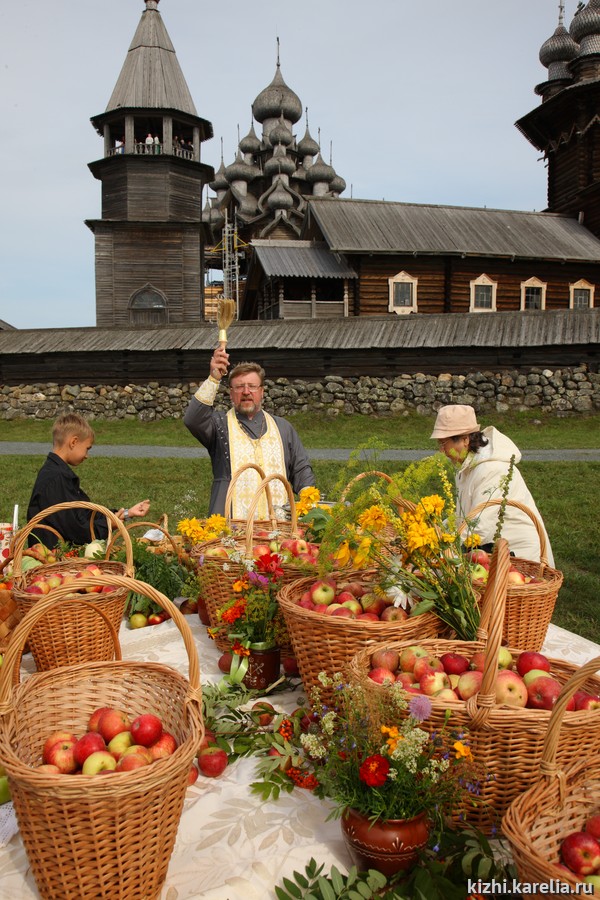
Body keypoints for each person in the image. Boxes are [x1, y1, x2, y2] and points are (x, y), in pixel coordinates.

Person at [183, 346, 316, 518]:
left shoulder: (283, 427)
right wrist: (214, 377)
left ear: (261, 391)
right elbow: (192, 419)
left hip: (277, 526)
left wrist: (309, 502)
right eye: (239, 387)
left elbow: (301, 469)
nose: (246, 392)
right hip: (230, 525)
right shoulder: (219, 425)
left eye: (252, 386)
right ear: (231, 393)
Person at [431, 404, 554, 565]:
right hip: (494, 551)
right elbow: (464, 514)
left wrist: (441, 548)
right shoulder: (466, 465)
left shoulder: (491, 469)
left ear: (465, 440)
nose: (441, 451)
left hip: (521, 556)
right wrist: (435, 530)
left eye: (443, 443)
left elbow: (480, 527)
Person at [27, 412, 150, 548]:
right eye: (87, 448)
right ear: (73, 442)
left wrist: (127, 513)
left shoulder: (58, 473)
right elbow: (77, 530)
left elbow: (85, 514)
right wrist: (109, 525)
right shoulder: (55, 479)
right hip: (52, 560)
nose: (87, 455)